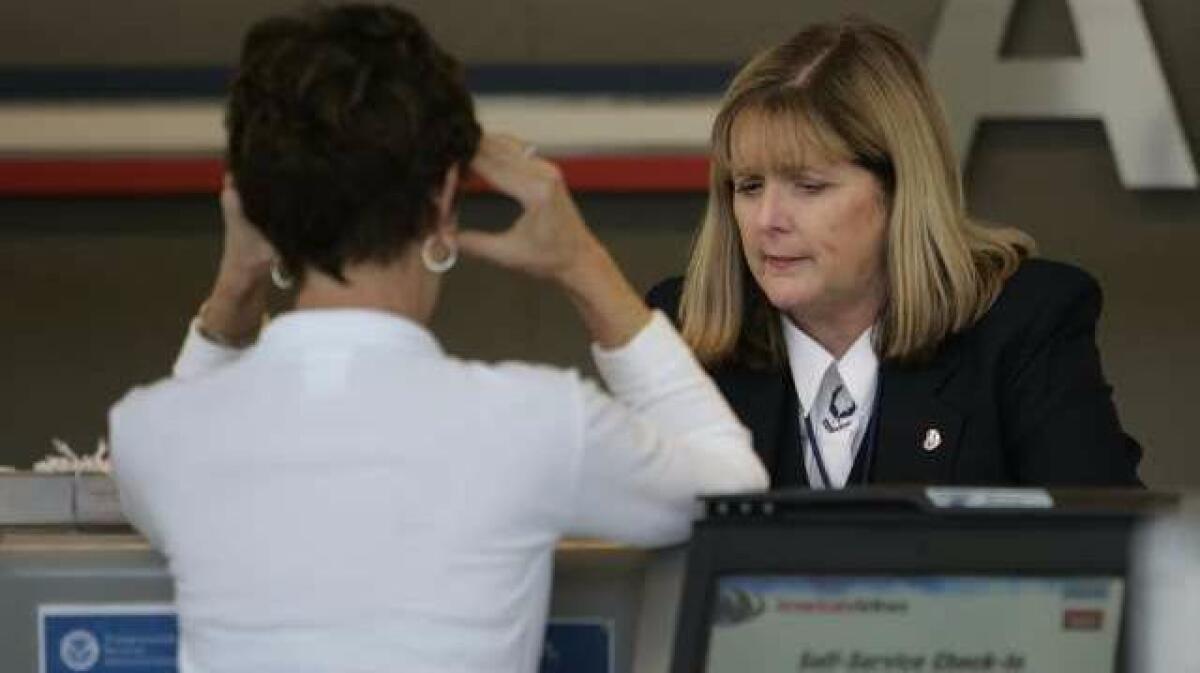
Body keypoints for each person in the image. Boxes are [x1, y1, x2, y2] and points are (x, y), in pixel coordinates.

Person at [108, 5, 766, 673]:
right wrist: (583, 264)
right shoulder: (537, 420)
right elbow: (733, 490)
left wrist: (236, 286)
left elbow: (155, 481)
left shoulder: (152, 432)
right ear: (445, 196)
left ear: (249, 205)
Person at [648, 17, 1142, 489]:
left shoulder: (1022, 326)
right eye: (749, 185)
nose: (766, 220)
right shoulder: (680, 331)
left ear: (901, 191)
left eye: (809, 186)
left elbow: (1112, 549)